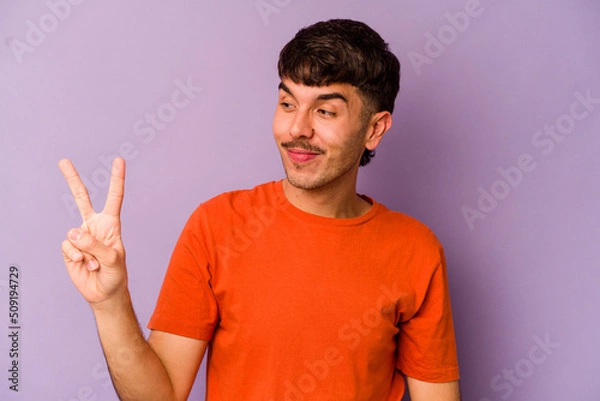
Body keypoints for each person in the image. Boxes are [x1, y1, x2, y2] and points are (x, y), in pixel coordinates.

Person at [59, 19, 460, 401]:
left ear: (374, 129)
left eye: (325, 111)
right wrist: (110, 303)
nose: (296, 129)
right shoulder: (217, 225)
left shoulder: (416, 250)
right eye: (288, 103)